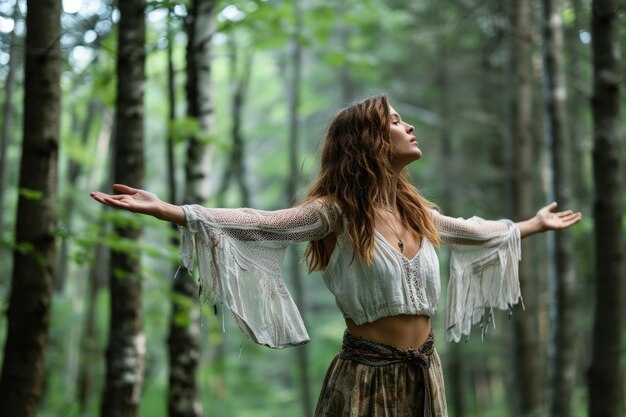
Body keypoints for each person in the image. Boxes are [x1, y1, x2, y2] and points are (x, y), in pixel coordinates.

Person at [90, 94, 581, 417]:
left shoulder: (418, 211)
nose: (408, 127)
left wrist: (534, 224)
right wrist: (173, 211)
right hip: (365, 379)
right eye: (394, 122)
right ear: (369, 141)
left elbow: (474, 233)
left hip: (425, 375)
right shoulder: (337, 212)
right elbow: (262, 223)